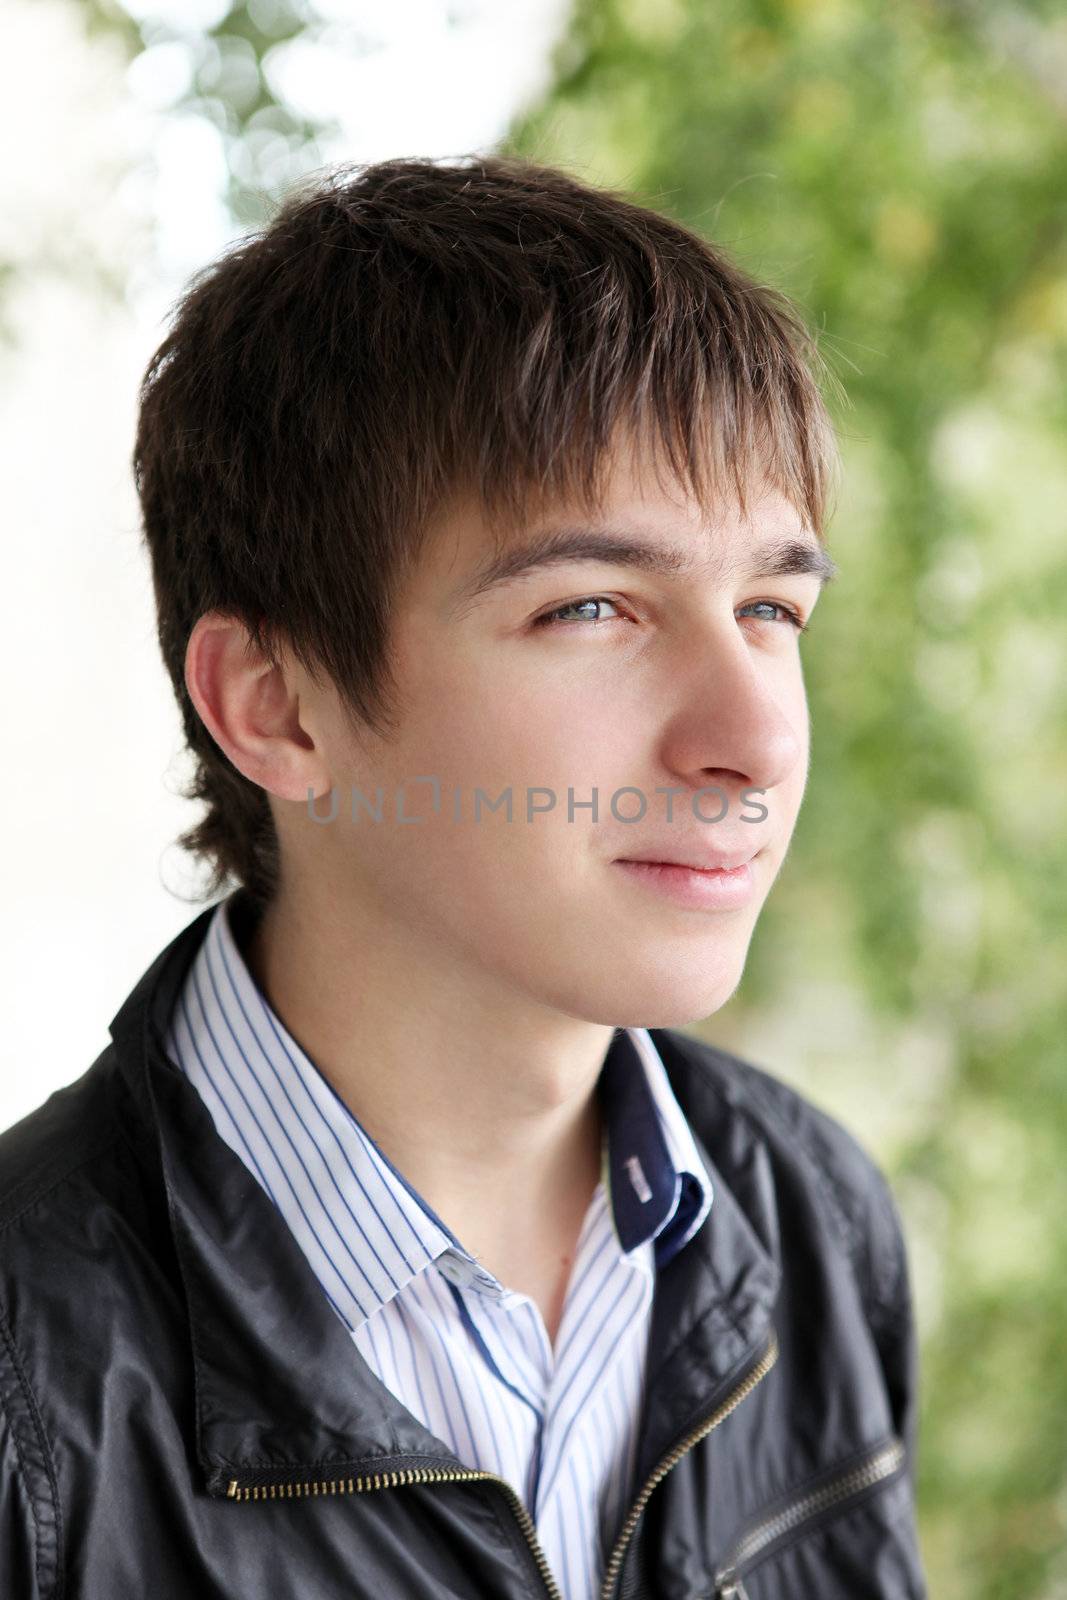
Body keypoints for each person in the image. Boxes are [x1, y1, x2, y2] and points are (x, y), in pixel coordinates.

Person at [0, 155, 928, 1599]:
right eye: (593, 609)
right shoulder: (26, 1388)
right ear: (277, 707)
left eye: (770, 607)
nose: (752, 740)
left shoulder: (810, 1218)